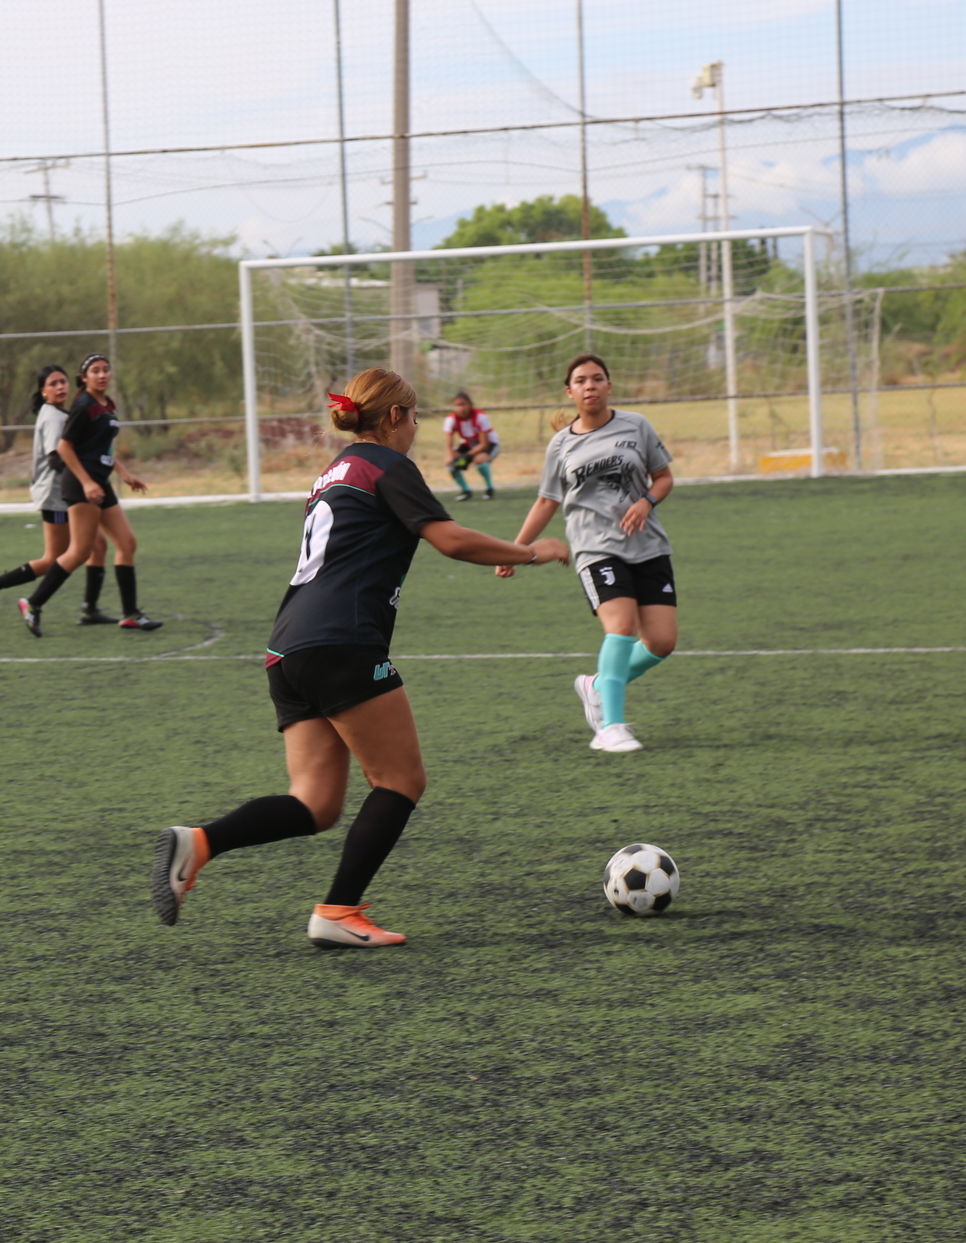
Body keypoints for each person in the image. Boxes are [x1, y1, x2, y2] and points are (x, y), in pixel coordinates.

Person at [150, 368, 570, 948]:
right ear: (394, 416)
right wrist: (531, 552)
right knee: (401, 780)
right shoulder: (387, 465)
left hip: (287, 648)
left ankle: (199, 842)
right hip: (342, 642)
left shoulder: (333, 471)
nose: (417, 427)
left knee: (315, 803)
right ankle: (338, 911)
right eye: (415, 416)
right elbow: (449, 539)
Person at [499, 353, 676, 753]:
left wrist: (646, 501)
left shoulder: (636, 425)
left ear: (609, 386)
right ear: (570, 391)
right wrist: (515, 550)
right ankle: (610, 727)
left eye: (597, 378)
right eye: (581, 380)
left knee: (662, 642)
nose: (590, 385)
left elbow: (663, 477)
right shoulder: (561, 444)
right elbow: (546, 501)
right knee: (621, 627)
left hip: (648, 545)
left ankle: (597, 685)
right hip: (595, 548)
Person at [15, 353, 162, 636]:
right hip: (82, 484)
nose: (102, 375)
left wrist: (125, 474)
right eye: (95, 371)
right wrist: (86, 482)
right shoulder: (83, 406)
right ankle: (33, 603)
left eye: (106, 369)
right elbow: (64, 448)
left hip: (99, 481)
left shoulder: (106, 404)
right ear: (84, 378)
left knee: (127, 542)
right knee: (80, 551)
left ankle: (130, 614)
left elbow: (100, 447)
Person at [0, 365, 113, 625]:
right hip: (56, 495)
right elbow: (55, 459)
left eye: (63, 382)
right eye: (53, 384)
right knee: (53, 559)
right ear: (43, 391)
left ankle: (90, 610)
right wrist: (84, 480)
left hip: (69, 494)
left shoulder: (62, 413)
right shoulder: (52, 417)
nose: (60, 387)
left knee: (98, 545)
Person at [442, 391, 501, 501]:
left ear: (470, 404)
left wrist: (467, 456)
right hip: (469, 445)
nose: (461, 408)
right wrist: (451, 459)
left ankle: (490, 489)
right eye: (457, 405)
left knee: (479, 460)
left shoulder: (480, 417)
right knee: (450, 462)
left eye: (463, 404)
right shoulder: (451, 420)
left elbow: (484, 444)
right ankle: (466, 491)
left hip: (490, 445)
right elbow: (449, 445)